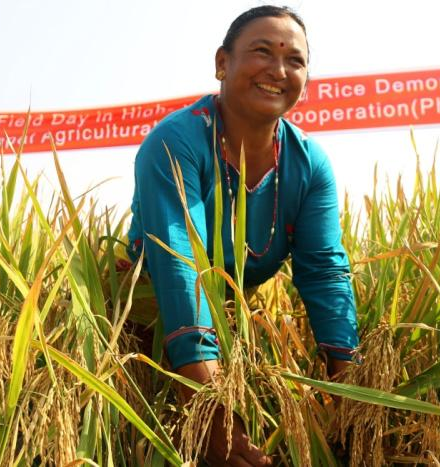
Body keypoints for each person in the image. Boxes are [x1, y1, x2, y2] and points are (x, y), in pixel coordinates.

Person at [126, 5, 359, 465]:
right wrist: (212, 414)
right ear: (221, 63)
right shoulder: (176, 142)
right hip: (147, 318)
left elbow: (325, 274)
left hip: (234, 320)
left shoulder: (310, 164)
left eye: (295, 60)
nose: (278, 70)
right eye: (261, 52)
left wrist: (354, 401)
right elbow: (178, 267)